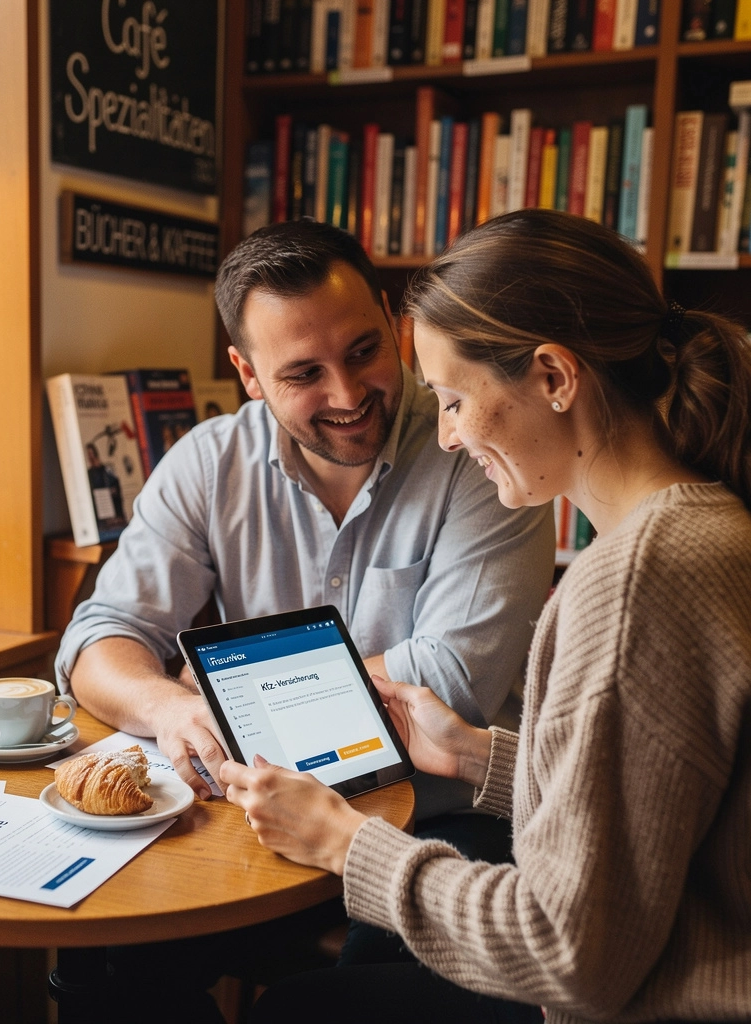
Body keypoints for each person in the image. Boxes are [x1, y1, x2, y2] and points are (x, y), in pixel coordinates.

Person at [220, 209, 751, 1024]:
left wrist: (344, 843)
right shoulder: (704, 525)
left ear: (553, 377)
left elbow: (570, 957)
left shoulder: (631, 582)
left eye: (455, 399)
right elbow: (662, 801)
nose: (448, 435)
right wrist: (480, 759)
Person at [55, 219, 553, 1019]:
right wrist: (175, 705)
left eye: (363, 351)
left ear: (398, 322)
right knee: (111, 964)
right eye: (303, 374)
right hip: (250, 816)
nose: (349, 396)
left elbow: (455, 681)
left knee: (334, 998)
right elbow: (100, 638)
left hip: (443, 815)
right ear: (247, 374)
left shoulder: (481, 448)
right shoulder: (207, 463)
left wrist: (234, 695)